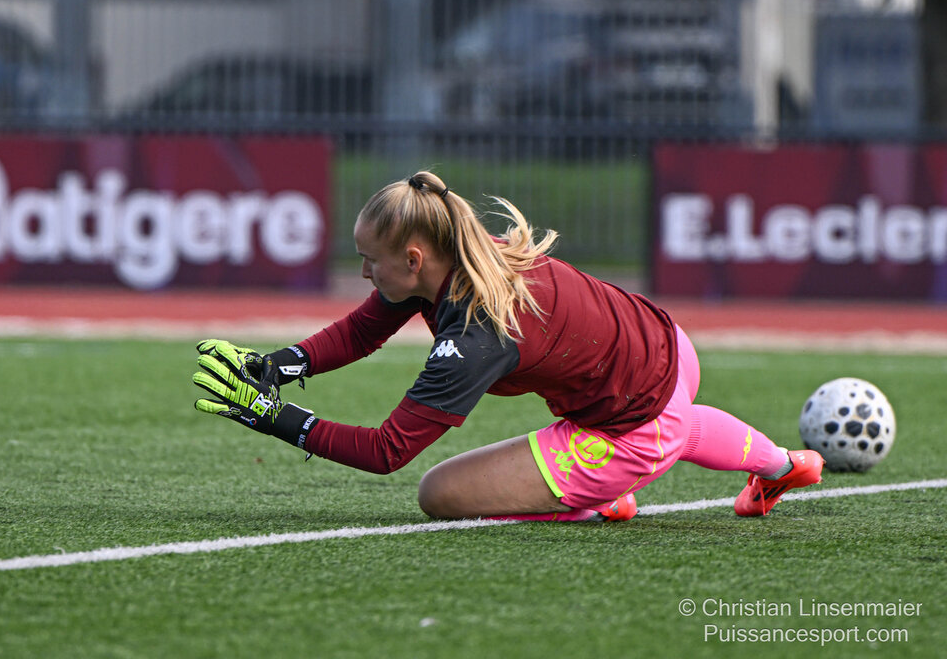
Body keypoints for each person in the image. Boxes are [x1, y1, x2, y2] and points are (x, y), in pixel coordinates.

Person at [191, 170, 823, 521]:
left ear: (413, 259)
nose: (363, 273)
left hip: (632, 425)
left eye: (369, 261)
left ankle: (597, 495)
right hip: (672, 349)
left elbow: (387, 453)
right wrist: (274, 366)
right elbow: (362, 331)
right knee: (674, 419)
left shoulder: (478, 332)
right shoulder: (460, 250)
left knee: (440, 496)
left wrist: (270, 416)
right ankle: (781, 465)